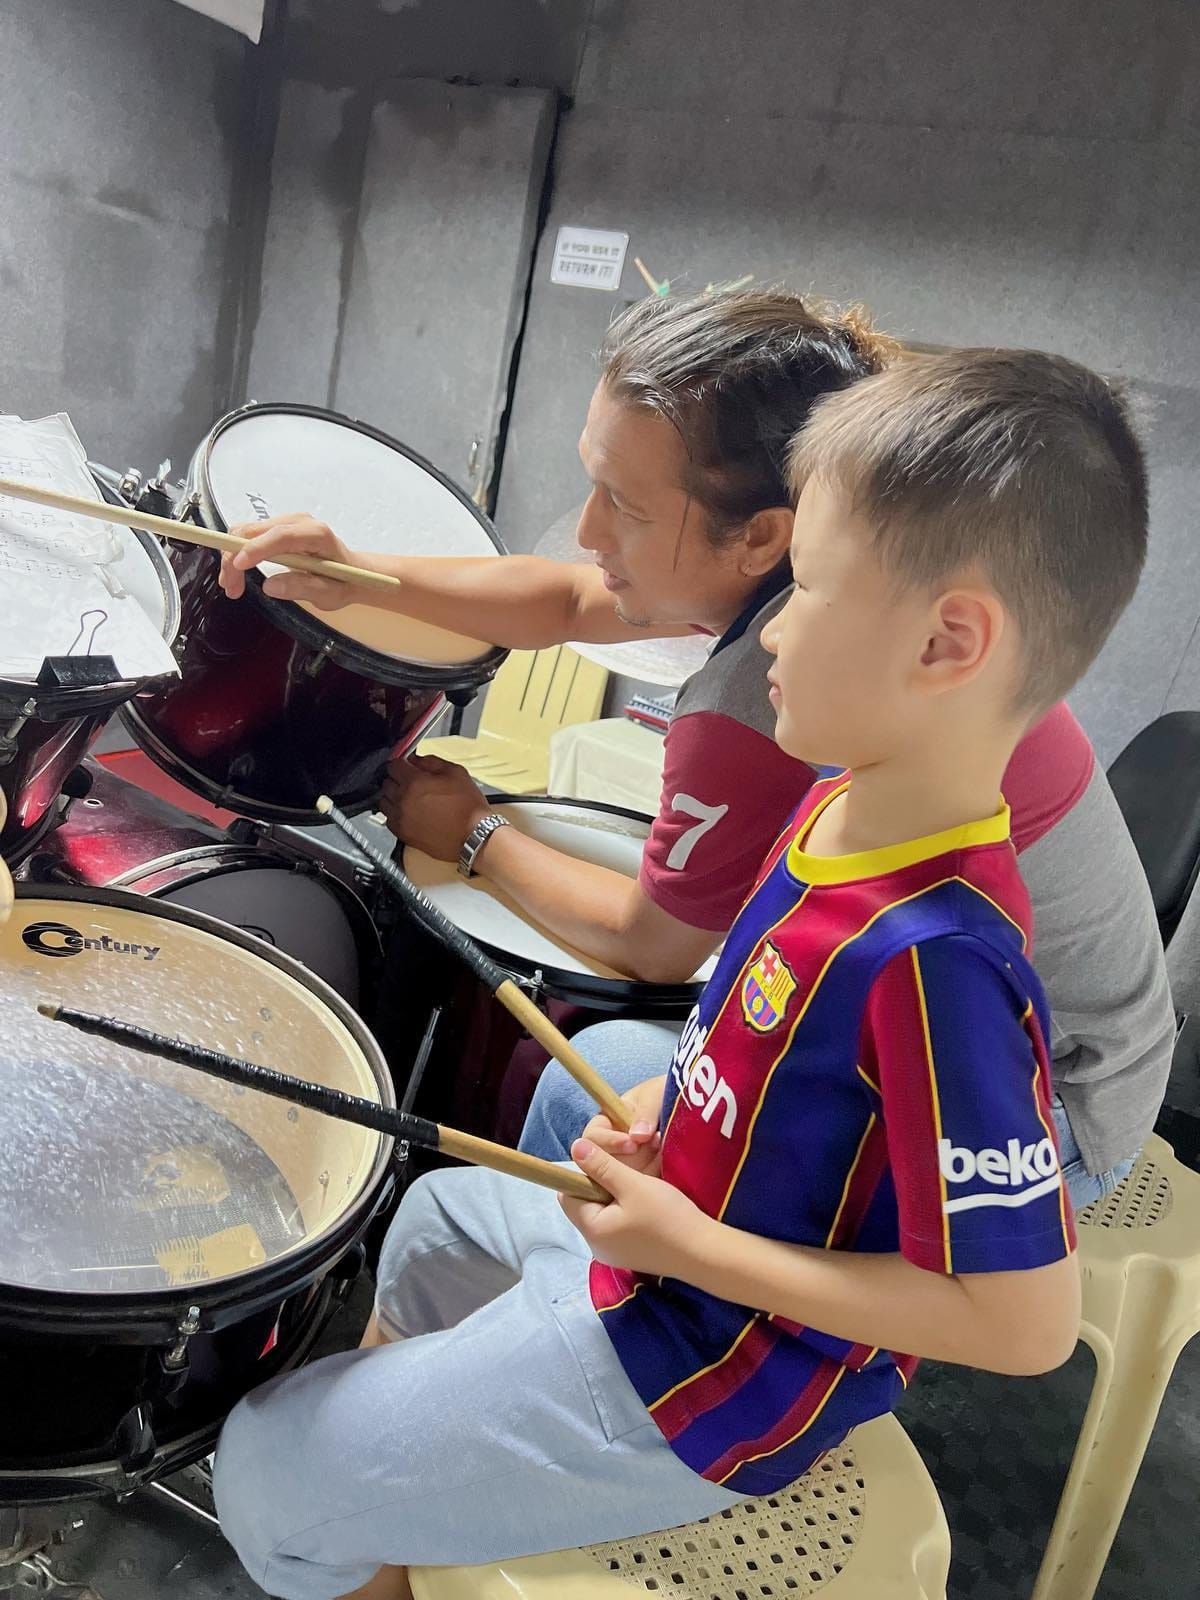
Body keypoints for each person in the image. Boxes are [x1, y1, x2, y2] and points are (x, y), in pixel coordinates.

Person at [214, 345, 1145, 1600]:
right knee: (432, 1222)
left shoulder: (943, 962)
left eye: (807, 589)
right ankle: (426, 1503)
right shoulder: (842, 797)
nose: (776, 629)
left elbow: (1025, 1322)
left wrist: (694, 1245)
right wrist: (684, 1099)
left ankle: (421, 1474)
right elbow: (764, 1036)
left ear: (948, 641)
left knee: (261, 1470)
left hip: (719, 1357)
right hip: (692, 1249)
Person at [219, 289, 1172, 1205]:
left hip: (1039, 1122)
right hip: (1081, 1051)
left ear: (765, 538)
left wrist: (469, 830)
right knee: (592, 1098)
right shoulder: (862, 598)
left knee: (590, 1097)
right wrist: (356, 571)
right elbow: (561, 598)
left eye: (622, 506)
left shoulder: (765, 697)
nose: (587, 530)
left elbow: (652, 947)